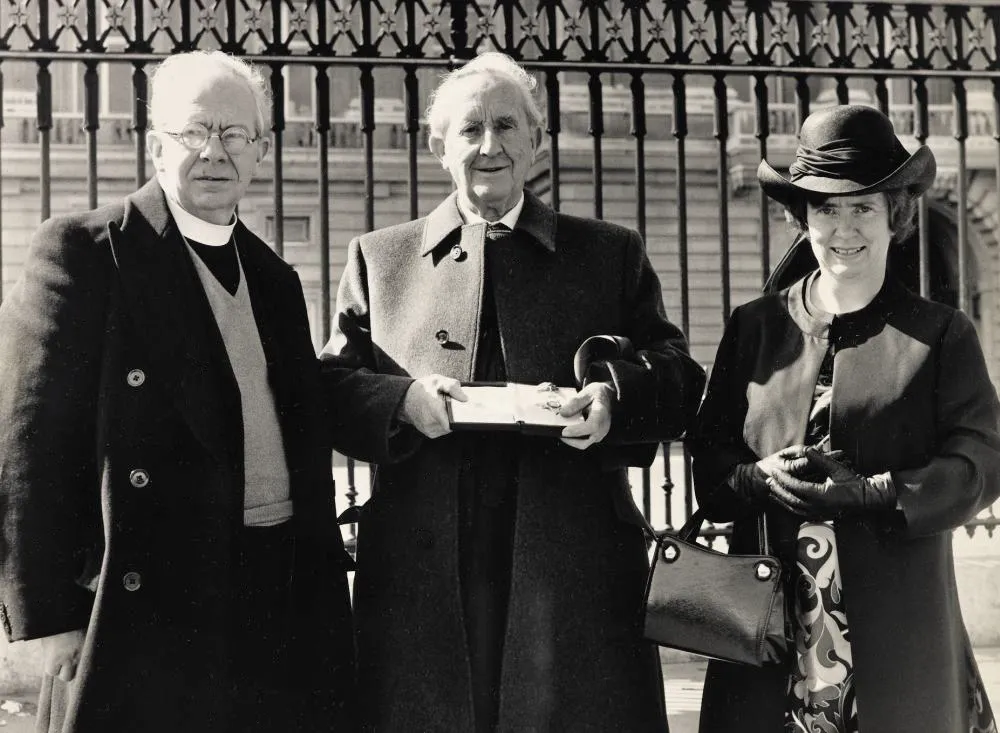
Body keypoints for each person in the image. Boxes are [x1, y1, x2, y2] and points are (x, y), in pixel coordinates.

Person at [320, 51, 706, 732]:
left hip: (571, 560)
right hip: (426, 560)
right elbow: (329, 389)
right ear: (439, 146)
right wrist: (403, 403)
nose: (489, 145)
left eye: (506, 126)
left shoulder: (608, 253)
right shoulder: (380, 260)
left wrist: (612, 400)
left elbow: (677, 372)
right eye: (469, 130)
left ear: (536, 141)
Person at [0, 50, 355, 733]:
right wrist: (46, 615)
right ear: (157, 141)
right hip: (144, 609)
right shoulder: (86, 250)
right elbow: (26, 443)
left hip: (270, 598)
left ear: (259, 150)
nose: (214, 151)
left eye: (234, 134)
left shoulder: (276, 280)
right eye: (195, 132)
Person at [690, 104, 999, 733]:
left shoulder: (940, 334)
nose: (843, 227)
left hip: (896, 639)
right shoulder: (755, 327)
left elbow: (981, 462)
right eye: (826, 208)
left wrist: (880, 493)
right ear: (803, 219)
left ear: (895, 216)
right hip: (767, 639)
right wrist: (754, 480)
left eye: (863, 206)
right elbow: (709, 461)